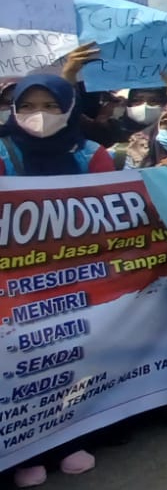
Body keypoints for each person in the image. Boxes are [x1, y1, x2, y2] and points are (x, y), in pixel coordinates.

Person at [2, 75, 113, 486]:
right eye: (28, 105)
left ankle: (71, 439)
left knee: (74, 357)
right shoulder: (2, 151)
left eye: (51, 106)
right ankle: (23, 452)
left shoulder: (90, 154)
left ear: (68, 109)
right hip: (15, 283)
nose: (40, 116)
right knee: (24, 365)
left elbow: (114, 207)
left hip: (74, 278)